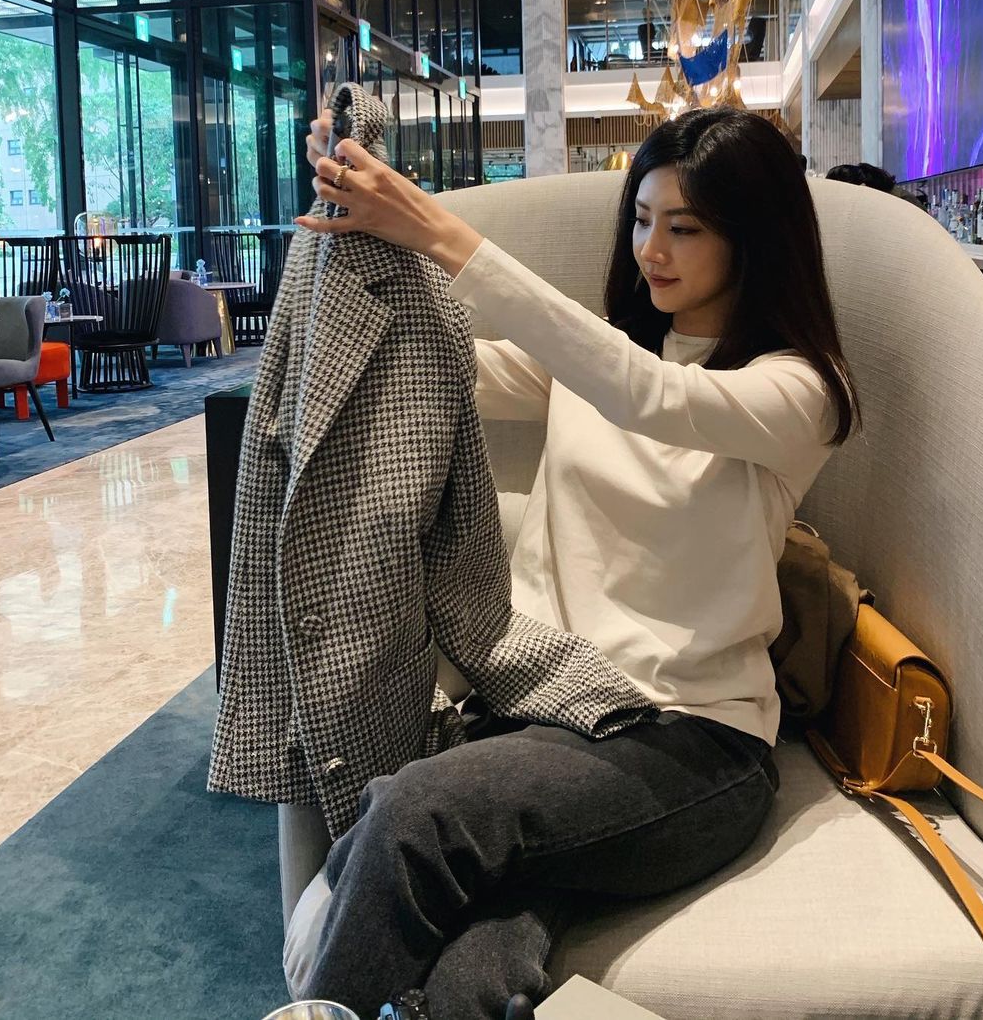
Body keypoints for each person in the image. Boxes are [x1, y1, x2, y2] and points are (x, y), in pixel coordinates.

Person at [293, 106, 861, 1020]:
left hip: (695, 746)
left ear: (752, 238)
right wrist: (353, 237)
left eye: (685, 228)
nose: (652, 250)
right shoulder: (605, 356)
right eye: (642, 218)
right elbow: (446, 365)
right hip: (549, 716)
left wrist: (433, 227)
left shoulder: (799, 392)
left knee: (413, 811)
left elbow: (651, 396)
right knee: (473, 976)